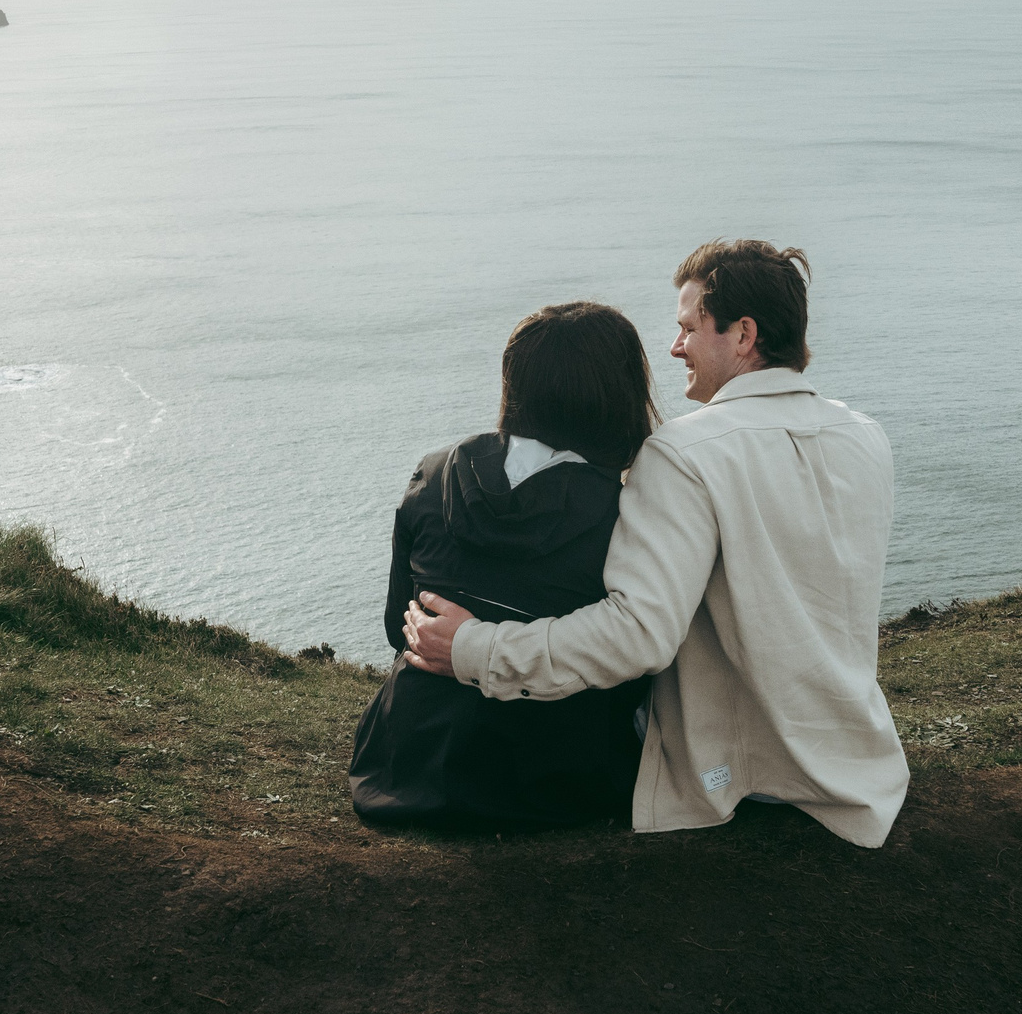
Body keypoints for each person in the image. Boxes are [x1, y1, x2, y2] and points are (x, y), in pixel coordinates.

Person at [402, 241, 909, 847]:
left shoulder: (683, 453)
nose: (675, 349)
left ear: (743, 334)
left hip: (736, 769)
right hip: (850, 756)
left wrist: (475, 648)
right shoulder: (865, 435)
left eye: (689, 328)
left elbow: (636, 635)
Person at [349, 301, 659, 829]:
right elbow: (638, 660)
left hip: (407, 767)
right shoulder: (627, 511)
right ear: (620, 393)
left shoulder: (434, 472)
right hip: (556, 781)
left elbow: (395, 629)